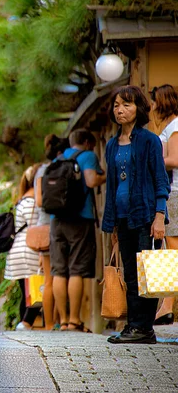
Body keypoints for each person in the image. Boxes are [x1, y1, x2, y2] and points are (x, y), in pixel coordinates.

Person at [102, 86, 169, 344]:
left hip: (146, 216)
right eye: (117, 105)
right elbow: (111, 186)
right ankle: (135, 327)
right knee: (130, 273)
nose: (120, 109)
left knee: (146, 273)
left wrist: (160, 215)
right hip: (122, 217)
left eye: (127, 104)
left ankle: (143, 328)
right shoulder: (110, 145)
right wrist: (113, 228)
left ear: (138, 108)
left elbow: (160, 181)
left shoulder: (150, 141)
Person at [49, 129, 106, 332]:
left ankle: (63, 321)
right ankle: (74, 320)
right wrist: (105, 177)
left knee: (58, 270)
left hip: (56, 220)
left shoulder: (58, 158)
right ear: (88, 143)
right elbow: (91, 181)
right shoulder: (88, 156)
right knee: (76, 270)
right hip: (80, 219)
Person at [33, 135, 69, 330]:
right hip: (58, 223)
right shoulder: (65, 166)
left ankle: (49, 324)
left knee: (49, 279)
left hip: (43, 224)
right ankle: (61, 321)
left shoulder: (41, 171)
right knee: (62, 275)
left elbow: (38, 201)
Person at [151, 85, 178, 326]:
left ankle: (167, 305)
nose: (151, 107)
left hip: (175, 192)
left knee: (172, 250)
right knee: (170, 248)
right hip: (172, 192)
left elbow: (175, 159)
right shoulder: (171, 126)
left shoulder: (175, 126)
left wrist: (153, 160)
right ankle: (166, 305)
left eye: (153, 102)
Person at [4, 165, 40, 327]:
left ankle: (23, 325)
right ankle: (25, 325)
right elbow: (35, 229)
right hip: (29, 250)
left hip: (17, 251)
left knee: (26, 293)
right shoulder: (33, 202)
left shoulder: (21, 200)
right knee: (35, 292)